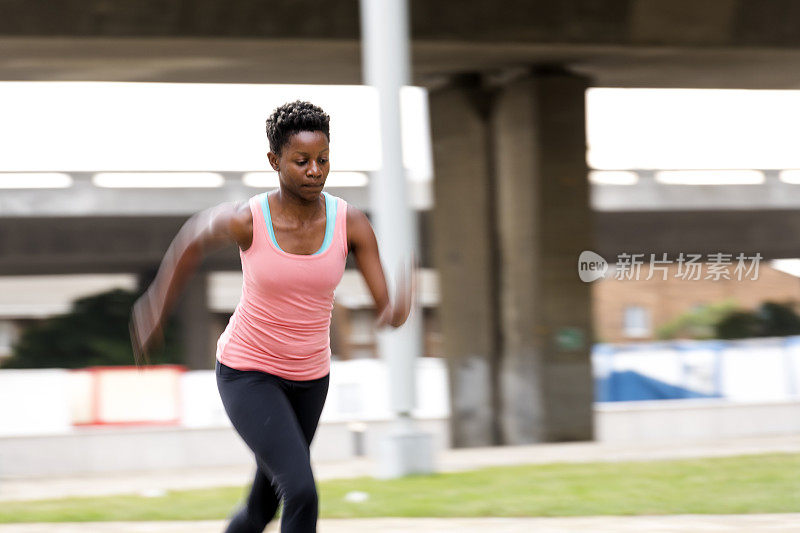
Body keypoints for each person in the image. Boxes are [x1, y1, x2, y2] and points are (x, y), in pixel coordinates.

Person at [129, 100, 414, 533]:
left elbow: (387, 311)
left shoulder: (350, 223)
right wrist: (155, 306)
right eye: (301, 161)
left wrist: (398, 308)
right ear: (274, 160)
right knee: (300, 491)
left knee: (264, 506)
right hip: (248, 373)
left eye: (323, 160)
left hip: (311, 378)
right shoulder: (250, 220)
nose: (315, 170)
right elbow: (194, 237)